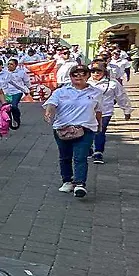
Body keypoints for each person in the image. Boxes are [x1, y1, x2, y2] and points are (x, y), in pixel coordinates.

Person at [44, 64, 100, 198]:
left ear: (88, 76)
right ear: (70, 77)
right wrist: (49, 112)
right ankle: (67, 180)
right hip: (63, 128)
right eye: (75, 74)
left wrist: (100, 125)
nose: (79, 76)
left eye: (82, 74)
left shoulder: (96, 92)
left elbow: (98, 110)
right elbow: (51, 104)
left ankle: (80, 183)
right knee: (65, 156)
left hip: (86, 128)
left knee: (80, 156)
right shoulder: (61, 91)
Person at [90, 65, 132, 165]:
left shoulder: (112, 83)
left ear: (104, 71)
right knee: (88, 132)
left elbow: (121, 97)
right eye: (93, 71)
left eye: (99, 71)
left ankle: (98, 152)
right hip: (88, 112)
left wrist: (127, 110)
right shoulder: (86, 83)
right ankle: (89, 148)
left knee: (100, 131)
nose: (96, 73)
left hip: (105, 112)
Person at [1, 59, 30, 130]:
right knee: (7, 107)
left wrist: (28, 89)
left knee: (14, 106)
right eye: (8, 64)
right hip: (7, 93)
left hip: (17, 92)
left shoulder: (21, 72)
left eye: (11, 64)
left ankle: (16, 117)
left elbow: (26, 81)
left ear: (16, 65)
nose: (9, 66)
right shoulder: (4, 73)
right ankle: (10, 121)